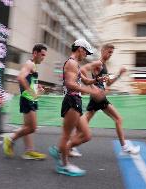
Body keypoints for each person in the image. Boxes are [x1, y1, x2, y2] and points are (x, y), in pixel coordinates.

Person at [48, 39, 105, 176]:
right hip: (72, 100)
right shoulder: (71, 63)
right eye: (86, 52)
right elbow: (70, 84)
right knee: (66, 136)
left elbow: (85, 81)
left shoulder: (76, 65)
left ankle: (60, 151)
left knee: (86, 135)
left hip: (76, 101)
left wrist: (97, 80)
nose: (86, 55)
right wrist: (91, 91)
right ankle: (64, 165)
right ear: (80, 49)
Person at [79, 43, 140, 155]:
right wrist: (93, 88)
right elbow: (82, 69)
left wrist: (119, 74)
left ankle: (70, 143)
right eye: (109, 52)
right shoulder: (98, 63)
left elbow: (109, 83)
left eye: (112, 52)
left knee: (86, 119)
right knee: (118, 119)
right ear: (103, 51)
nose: (110, 54)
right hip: (98, 96)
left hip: (98, 96)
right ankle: (125, 147)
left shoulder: (104, 66)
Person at [3, 44, 47, 160]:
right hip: (28, 99)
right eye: (42, 54)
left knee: (26, 126)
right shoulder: (30, 63)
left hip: (30, 98)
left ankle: (29, 151)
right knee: (32, 127)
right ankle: (10, 138)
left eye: (45, 55)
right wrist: (32, 93)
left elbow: (29, 81)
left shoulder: (33, 65)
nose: (43, 57)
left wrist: (38, 87)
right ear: (35, 53)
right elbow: (20, 78)